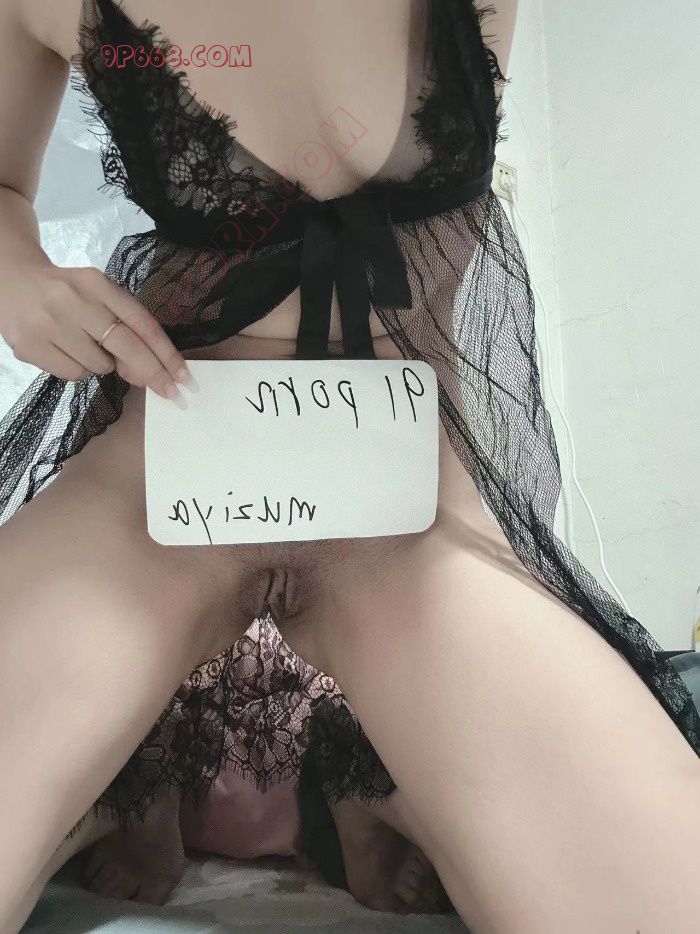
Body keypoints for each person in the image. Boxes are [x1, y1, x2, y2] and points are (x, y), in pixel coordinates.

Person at [1, 1, 699, 932]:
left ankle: (367, 784)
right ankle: (127, 788)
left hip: (405, 518)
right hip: (164, 488)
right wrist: (18, 278)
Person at [79, 612, 450, 915]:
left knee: (358, 718)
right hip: (213, 749)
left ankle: (365, 821)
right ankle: (367, 820)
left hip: (310, 777)